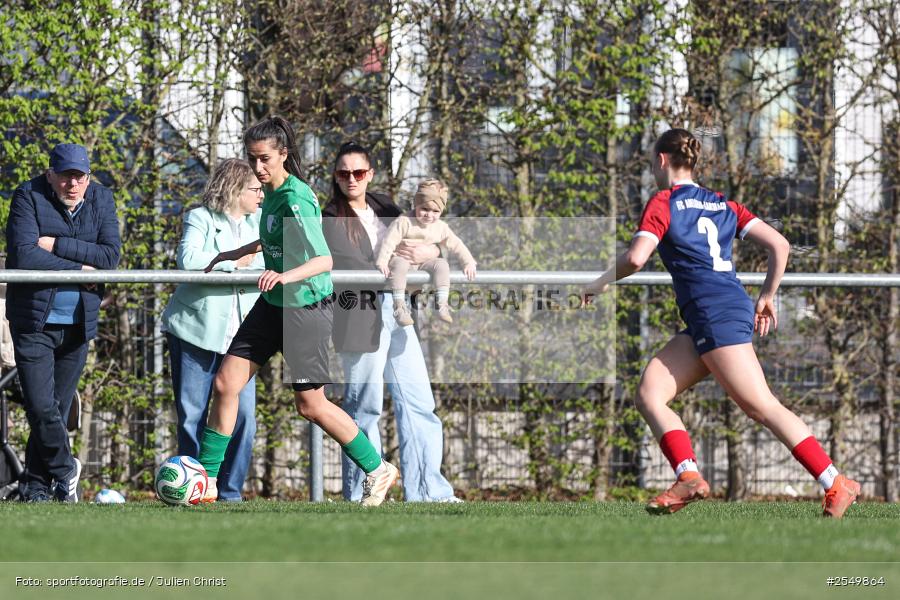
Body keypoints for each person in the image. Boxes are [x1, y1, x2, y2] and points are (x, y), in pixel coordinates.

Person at [584, 128, 861, 518]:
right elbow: (779, 245)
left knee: (762, 406)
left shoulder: (663, 202)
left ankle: (835, 481)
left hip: (715, 316)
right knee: (650, 393)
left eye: (652, 162)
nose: (652, 169)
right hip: (710, 317)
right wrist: (766, 294)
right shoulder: (722, 204)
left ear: (662, 161)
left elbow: (635, 258)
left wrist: (597, 284)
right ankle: (689, 476)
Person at [199, 118, 398, 506]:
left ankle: (378, 469)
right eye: (252, 159)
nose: (258, 168)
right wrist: (240, 252)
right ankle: (205, 482)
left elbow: (322, 259)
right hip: (275, 305)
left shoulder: (297, 196)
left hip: (306, 308)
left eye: (265, 159)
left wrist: (283, 274)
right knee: (225, 384)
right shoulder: (271, 194)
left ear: (284, 155)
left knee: (311, 405)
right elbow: (278, 233)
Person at [323, 141, 461, 503]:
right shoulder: (329, 217)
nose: (351, 179)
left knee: (418, 402)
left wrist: (433, 251)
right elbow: (349, 266)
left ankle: (430, 493)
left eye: (358, 172)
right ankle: (361, 493)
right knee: (363, 406)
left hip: (398, 312)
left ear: (369, 174)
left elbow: (428, 236)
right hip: (358, 316)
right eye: (343, 173)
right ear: (336, 177)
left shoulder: (387, 206)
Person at [5, 143, 121, 502]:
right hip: (34, 321)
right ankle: (66, 468)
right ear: (50, 174)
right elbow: (23, 253)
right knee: (39, 406)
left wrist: (55, 245)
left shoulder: (102, 199)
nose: (73, 184)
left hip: (79, 322)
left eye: (79, 177)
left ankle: (36, 487)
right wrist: (81, 271)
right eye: (66, 176)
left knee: (54, 408)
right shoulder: (27, 195)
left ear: (88, 177)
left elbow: (110, 256)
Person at [161, 158, 264, 502]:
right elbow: (189, 260)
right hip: (195, 331)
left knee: (245, 417)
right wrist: (237, 262)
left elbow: (273, 264)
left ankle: (229, 492)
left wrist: (222, 263)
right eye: (255, 188)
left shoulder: (263, 222)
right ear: (235, 189)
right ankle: (191, 490)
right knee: (192, 414)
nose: (261, 194)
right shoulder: (200, 217)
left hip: (244, 337)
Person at [375, 178, 476, 325]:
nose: (429, 215)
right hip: (401, 259)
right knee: (400, 265)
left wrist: (468, 262)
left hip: (423, 263)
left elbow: (457, 244)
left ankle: (441, 304)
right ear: (416, 204)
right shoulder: (404, 221)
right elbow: (389, 241)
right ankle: (399, 307)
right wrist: (382, 261)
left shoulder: (440, 227)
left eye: (435, 211)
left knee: (441, 264)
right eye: (425, 209)